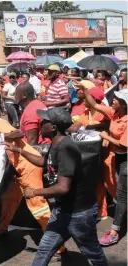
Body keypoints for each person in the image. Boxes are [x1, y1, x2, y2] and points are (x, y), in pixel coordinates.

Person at [4, 107, 108, 266]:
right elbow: (44, 163)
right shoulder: (56, 143)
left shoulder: (66, 147)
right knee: (45, 248)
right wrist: (19, 150)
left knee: (92, 253)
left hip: (79, 213)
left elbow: (63, 188)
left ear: (53, 128)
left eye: (45, 121)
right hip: (62, 210)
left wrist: (35, 192)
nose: (41, 122)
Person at [0, 106, 66, 258]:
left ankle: (58, 247)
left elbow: (18, 133)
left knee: (39, 207)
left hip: (28, 167)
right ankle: (0, 230)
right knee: (9, 198)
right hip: (19, 170)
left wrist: (1, 138)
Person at [75, 81, 127, 246]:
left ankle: (114, 231)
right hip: (118, 158)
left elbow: (124, 145)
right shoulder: (114, 113)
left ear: (124, 105)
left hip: (126, 158)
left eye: (116, 98)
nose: (112, 100)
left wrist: (106, 136)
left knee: (121, 194)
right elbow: (94, 105)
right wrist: (84, 89)